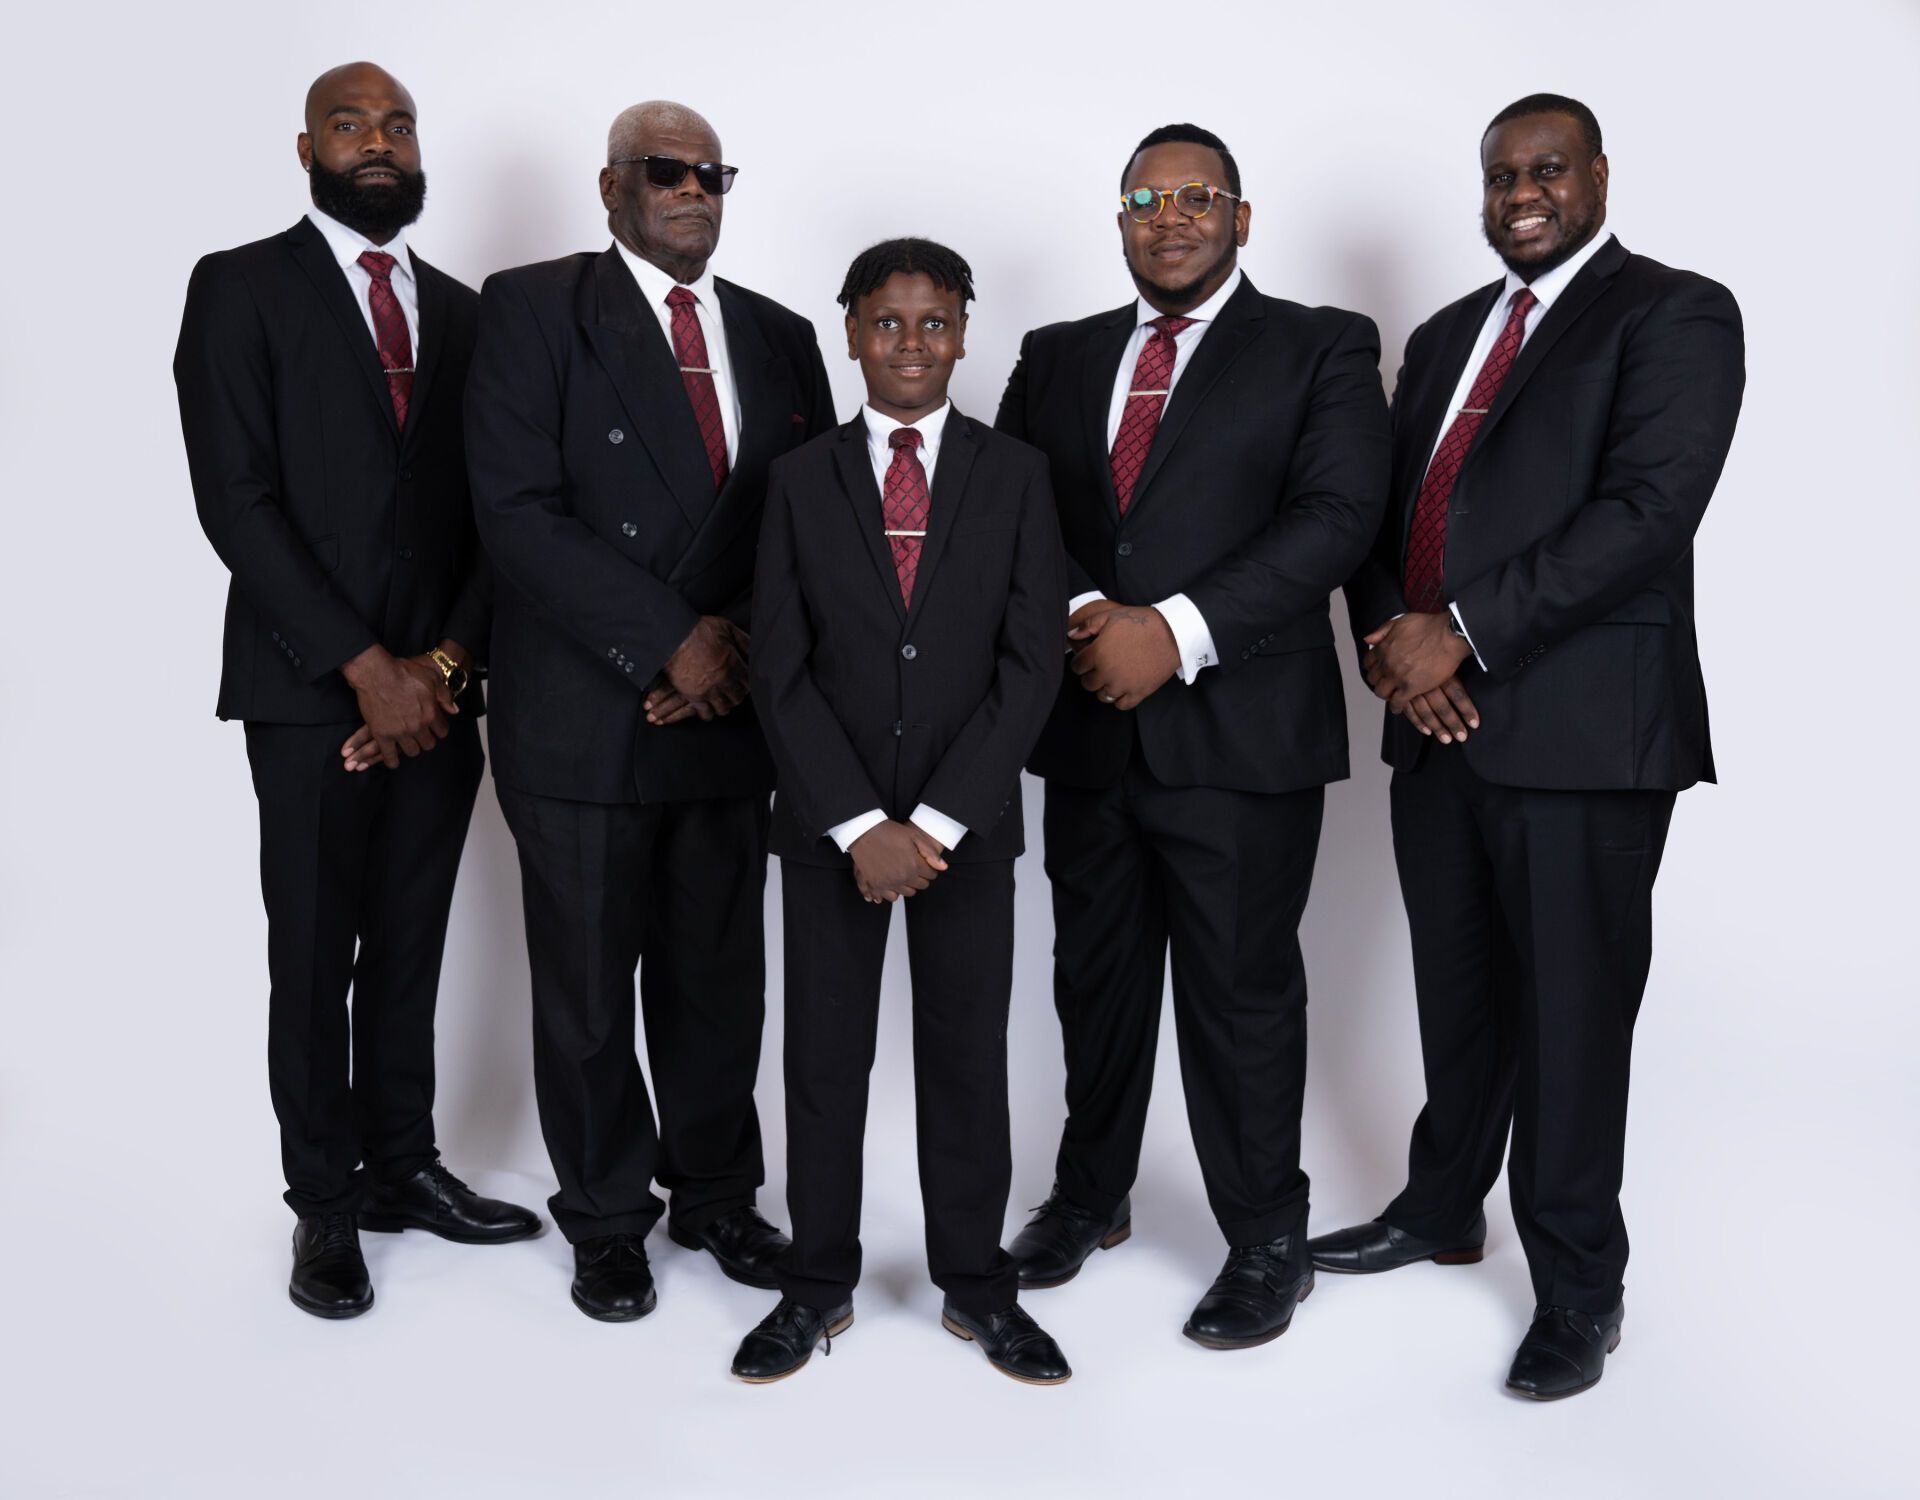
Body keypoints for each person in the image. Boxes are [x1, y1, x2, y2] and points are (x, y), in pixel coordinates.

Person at [1316, 93, 1745, 1400]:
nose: (1521, 195)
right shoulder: (1448, 335)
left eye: (1547, 170)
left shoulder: (1673, 313)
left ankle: (1578, 1288)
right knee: (1458, 991)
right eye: (1501, 175)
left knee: (1570, 1018)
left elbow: (1648, 511)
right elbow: (1381, 514)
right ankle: (1444, 1206)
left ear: (1599, 174)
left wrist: (1460, 634)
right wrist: (1393, 644)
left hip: (1583, 733)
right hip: (1434, 728)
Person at [995, 124, 1391, 1348]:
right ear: (1120, 219)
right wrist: (1089, 619)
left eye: (1196, 197)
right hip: (1090, 727)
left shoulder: (1323, 345)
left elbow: (1337, 514)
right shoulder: (1056, 356)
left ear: (1241, 218)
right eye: (1145, 200)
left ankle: (1268, 1236)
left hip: (1242, 732)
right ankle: (1089, 1196)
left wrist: (1172, 630)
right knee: (1095, 980)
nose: (1169, 218)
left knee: (1240, 992)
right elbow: (1008, 507)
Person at [174, 61, 539, 1321]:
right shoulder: (239, 288)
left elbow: (500, 514)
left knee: (412, 943)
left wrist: (439, 669)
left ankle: (403, 1167)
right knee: (314, 955)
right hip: (305, 691)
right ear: (306, 149)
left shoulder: (467, 314)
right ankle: (324, 1207)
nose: (377, 142)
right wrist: (365, 672)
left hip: (438, 691)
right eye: (349, 124)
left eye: (398, 125)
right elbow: (237, 501)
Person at [465, 100, 834, 1321]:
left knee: (719, 982)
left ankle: (718, 1197)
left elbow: (811, 522)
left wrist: (734, 649)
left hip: (727, 708)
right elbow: (516, 511)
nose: (691, 191)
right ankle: (608, 1217)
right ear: (611, 187)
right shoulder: (531, 307)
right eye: (666, 170)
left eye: (711, 174)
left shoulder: (780, 335)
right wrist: (670, 641)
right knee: (585, 992)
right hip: (585, 708)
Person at [732, 239, 1070, 1385]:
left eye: (934, 323)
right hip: (829, 830)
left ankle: (975, 1281)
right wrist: (855, 825)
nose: (911, 343)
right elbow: (779, 668)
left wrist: (934, 824)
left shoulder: (1016, 475)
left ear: (964, 333)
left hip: (963, 831)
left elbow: (1032, 663)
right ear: (852, 334)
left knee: (966, 1056)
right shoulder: (797, 480)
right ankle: (816, 1282)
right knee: (825, 1062)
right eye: (888, 322)